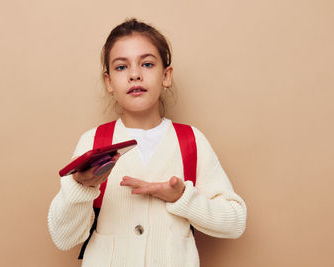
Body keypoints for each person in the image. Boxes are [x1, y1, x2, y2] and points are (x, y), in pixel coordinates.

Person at [47, 18, 247, 267]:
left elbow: (235, 222)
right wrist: (81, 187)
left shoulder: (190, 140)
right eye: (121, 67)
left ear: (166, 75)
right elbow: (64, 238)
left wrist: (182, 198)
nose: (134, 75)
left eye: (147, 64)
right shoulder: (93, 141)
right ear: (109, 82)